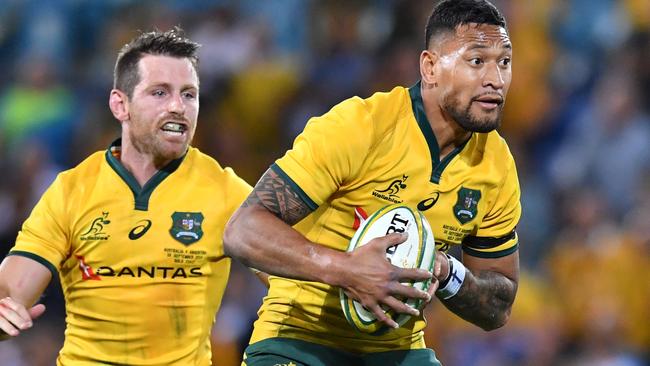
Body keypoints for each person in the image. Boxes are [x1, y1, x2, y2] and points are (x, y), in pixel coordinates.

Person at [223, 0, 521, 365]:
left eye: (504, 62)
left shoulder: (497, 165)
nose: (495, 79)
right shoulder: (360, 126)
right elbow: (243, 229)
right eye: (476, 61)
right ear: (430, 67)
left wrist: (446, 271)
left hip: (395, 351)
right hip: (300, 338)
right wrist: (347, 269)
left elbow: (499, 307)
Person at [0, 28, 252, 365]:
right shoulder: (71, 190)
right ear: (121, 105)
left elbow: (292, 277)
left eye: (189, 95)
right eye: (160, 93)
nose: (178, 106)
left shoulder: (225, 190)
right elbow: (13, 291)